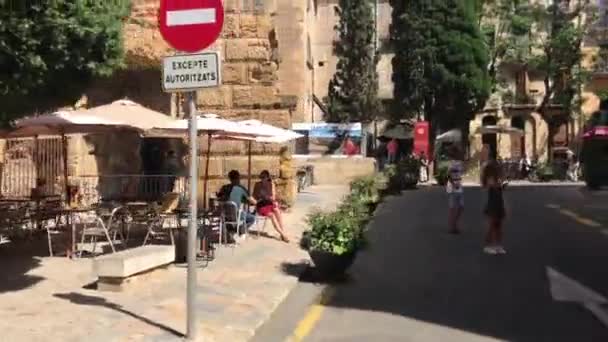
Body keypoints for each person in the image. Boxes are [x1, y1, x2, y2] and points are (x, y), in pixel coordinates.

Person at [253, 170, 290, 243]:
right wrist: (260, 197)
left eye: (264, 177)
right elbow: (254, 196)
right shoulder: (257, 185)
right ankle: (283, 234)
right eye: (261, 177)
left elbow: (273, 196)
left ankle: (282, 232)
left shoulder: (271, 184)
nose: (262, 179)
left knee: (277, 210)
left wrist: (270, 198)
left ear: (267, 177)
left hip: (269, 203)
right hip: (261, 206)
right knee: (272, 215)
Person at [481, 159, 507, 255]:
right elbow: (492, 186)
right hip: (493, 203)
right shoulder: (490, 178)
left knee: (499, 225)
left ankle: (498, 245)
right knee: (492, 224)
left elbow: (499, 187)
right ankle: (488, 245)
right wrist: (500, 184)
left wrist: (502, 183)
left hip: (499, 202)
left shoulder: (497, 178)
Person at [446, 146, 465, 234]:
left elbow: (462, 172)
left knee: (461, 206)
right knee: (452, 207)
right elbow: (449, 175)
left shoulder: (460, 163)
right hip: (453, 186)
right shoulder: (451, 163)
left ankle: (454, 224)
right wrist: (454, 184)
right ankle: (453, 226)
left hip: (459, 184)